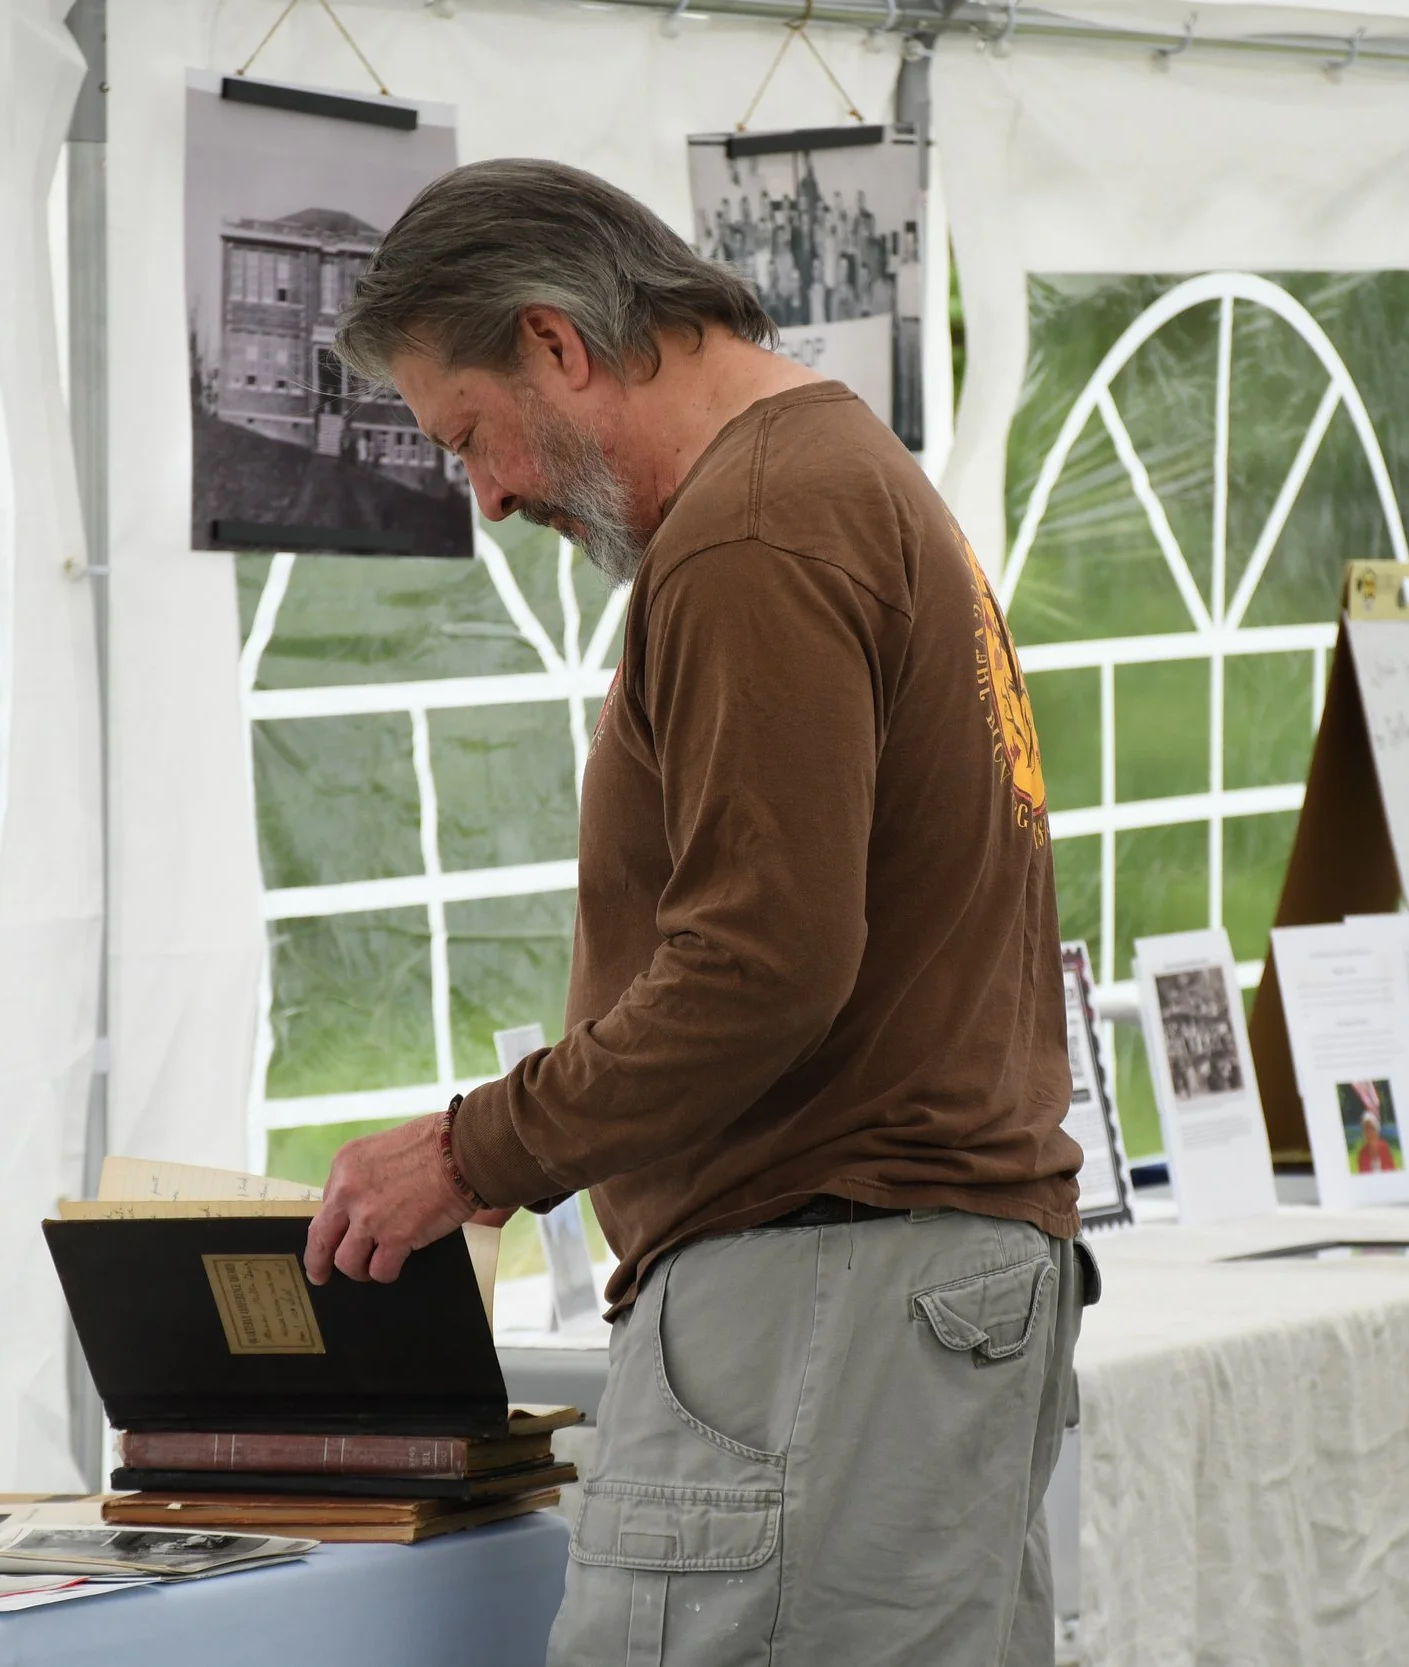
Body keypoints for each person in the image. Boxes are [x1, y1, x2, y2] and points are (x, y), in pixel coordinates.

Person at [308, 158, 1091, 1667]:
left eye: (467, 435)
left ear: (554, 342)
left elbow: (759, 967)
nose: (489, 494)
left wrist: (472, 1151)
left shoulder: (753, 531)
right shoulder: (835, 478)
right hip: (897, 1289)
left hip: (825, 1293)